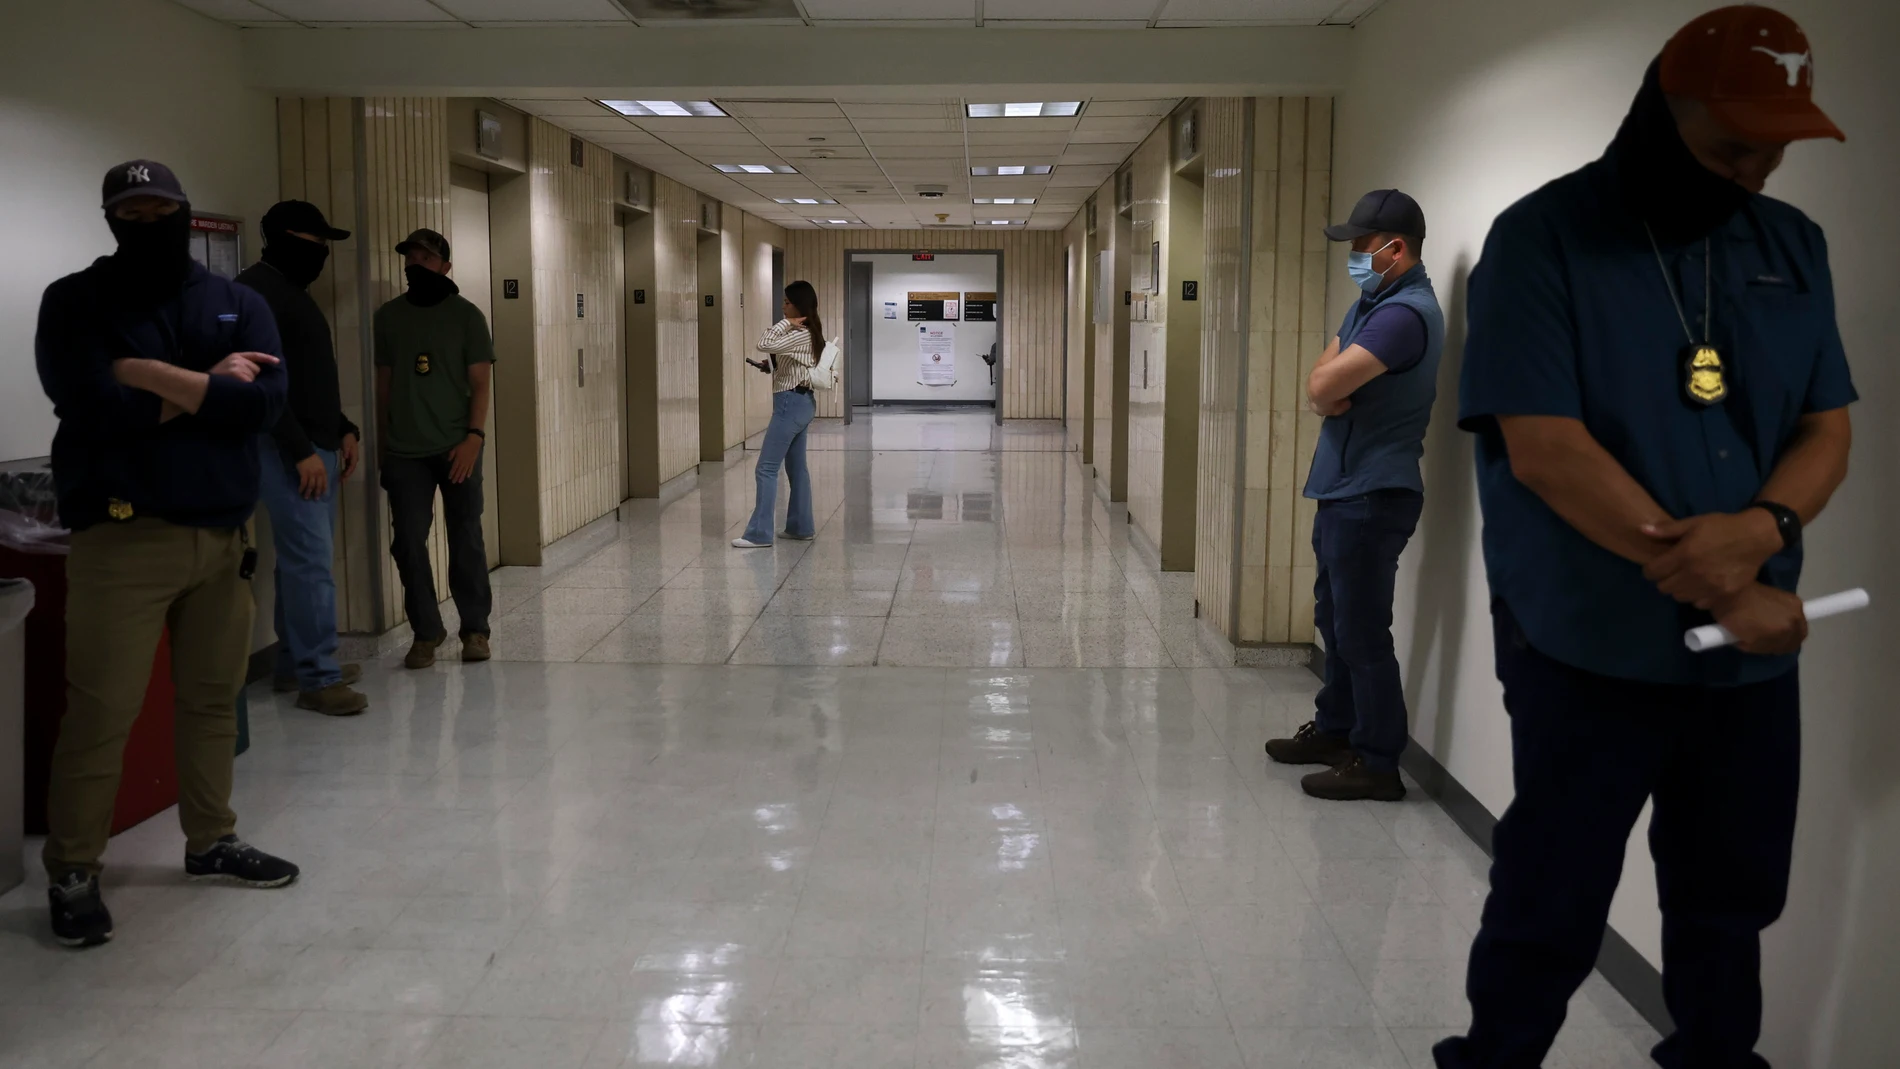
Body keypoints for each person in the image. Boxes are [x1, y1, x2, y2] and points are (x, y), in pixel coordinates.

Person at [1436, 8, 1852, 1067]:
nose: (1754, 170)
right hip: (1588, 640)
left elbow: (1824, 425)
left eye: (1773, 148)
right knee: (1552, 891)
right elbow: (1544, 449)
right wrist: (1722, 581)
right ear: (1659, 117)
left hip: (1751, 657)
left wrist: (1766, 527)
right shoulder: (1544, 240)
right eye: (1727, 146)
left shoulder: (1791, 247)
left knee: (1730, 897)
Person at [35, 160, 302, 948]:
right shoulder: (75, 300)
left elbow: (262, 405)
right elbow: (89, 407)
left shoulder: (237, 303)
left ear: (186, 213)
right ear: (111, 218)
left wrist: (151, 377)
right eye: (133, 211)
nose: (149, 221)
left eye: (162, 208)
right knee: (102, 711)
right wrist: (205, 386)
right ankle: (75, 868)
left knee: (213, 701)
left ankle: (210, 839)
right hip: (124, 540)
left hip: (223, 538)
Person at [1264, 189, 1445, 802]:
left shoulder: (1402, 316)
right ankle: (1337, 731)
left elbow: (1326, 384)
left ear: (1396, 249)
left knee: (1363, 632)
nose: (1355, 258)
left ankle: (1377, 761)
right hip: (1345, 491)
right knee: (1336, 621)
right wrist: (1324, 389)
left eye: (1363, 248)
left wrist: (1325, 389)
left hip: (1373, 494)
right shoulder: (1374, 303)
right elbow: (1320, 380)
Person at [236, 201, 367, 716]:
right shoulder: (256, 293)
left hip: (316, 443)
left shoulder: (290, 293)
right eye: (316, 242)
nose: (323, 253)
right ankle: (319, 675)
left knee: (302, 563)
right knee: (311, 565)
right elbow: (265, 384)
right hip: (287, 449)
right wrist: (299, 452)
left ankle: (294, 662)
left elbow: (309, 376)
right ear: (284, 238)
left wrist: (342, 429)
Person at [374, 228, 494, 669]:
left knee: (466, 538)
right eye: (410, 257)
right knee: (407, 541)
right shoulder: (388, 318)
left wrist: (473, 439)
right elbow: (383, 387)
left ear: (445, 266)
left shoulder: (467, 317)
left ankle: (475, 629)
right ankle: (426, 631)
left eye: (426, 258)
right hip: (406, 452)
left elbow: (480, 383)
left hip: (457, 447)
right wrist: (384, 448)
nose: (416, 265)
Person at [731, 280, 822, 549]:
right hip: (801, 402)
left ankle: (758, 534)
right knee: (796, 468)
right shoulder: (810, 333)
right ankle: (800, 527)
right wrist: (770, 366)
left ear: (799, 306)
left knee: (766, 469)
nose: (782, 306)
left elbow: (764, 342)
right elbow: (789, 360)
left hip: (789, 404)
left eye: (787, 302)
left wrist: (785, 323)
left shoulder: (799, 332)